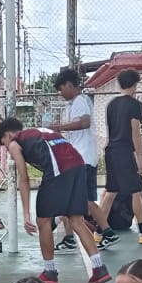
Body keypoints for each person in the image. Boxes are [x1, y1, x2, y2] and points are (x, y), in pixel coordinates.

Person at [0, 118, 110, 283]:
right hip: (78, 165)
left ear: (9, 135)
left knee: (43, 221)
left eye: (3, 144)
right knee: (76, 220)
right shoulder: (39, 132)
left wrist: (26, 214)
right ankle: (99, 267)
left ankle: (50, 272)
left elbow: (24, 179)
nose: (8, 150)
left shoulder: (15, 142)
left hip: (59, 168)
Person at [51, 68, 118, 252]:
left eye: (61, 88)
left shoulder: (80, 101)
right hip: (79, 158)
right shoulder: (74, 103)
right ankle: (73, 237)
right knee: (76, 200)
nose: (60, 93)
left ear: (69, 85)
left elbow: (85, 122)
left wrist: (58, 127)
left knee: (83, 201)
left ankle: (106, 232)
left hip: (82, 160)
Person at [97, 69, 142, 248]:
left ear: (119, 84)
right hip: (125, 152)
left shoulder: (111, 104)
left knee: (111, 192)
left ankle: (98, 232)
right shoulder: (134, 105)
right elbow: (135, 132)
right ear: (135, 85)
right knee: (136, 191)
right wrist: (139, 157)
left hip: (110, 151)